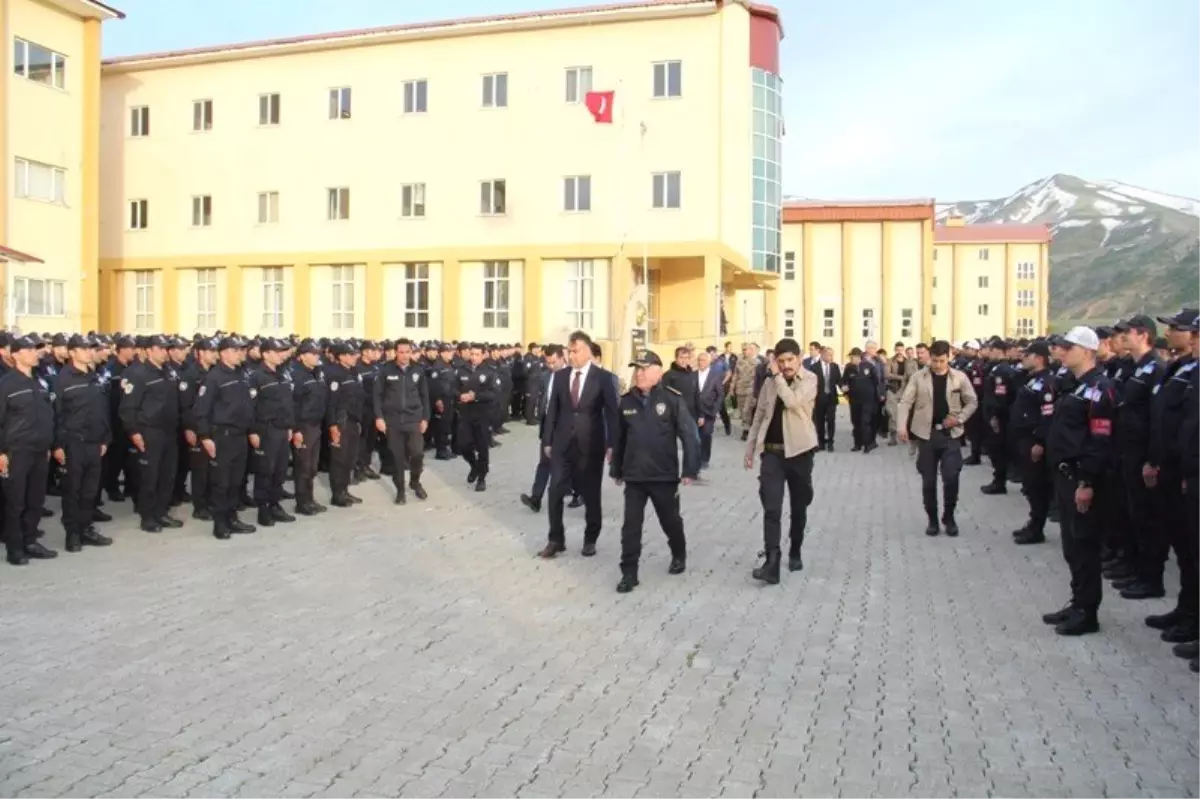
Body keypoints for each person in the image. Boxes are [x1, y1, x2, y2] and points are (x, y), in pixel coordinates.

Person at [1042, 326, 1117, 636]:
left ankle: (1088, 613)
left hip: (1082, 478)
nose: (1063, 351)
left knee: (1085, 546)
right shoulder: (1074, 386)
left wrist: (1086, 482)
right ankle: (1078, 602)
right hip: (1064, 475)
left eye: (1069, 347)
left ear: (1087, 351)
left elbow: (1100, 440)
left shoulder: (1101, 388)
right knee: (1072, 547)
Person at [610, 350, 700, 593]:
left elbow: (689, 435)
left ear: (657, 372)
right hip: (635, 476)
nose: (638, 373)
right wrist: (616, 469)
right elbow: (619, 439)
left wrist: (690, 469)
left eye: (643, 368)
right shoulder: (627, 400)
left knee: (670, 521)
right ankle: (629, 572)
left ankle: (678, 553)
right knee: (631, 526)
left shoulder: (671, 399)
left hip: (663, 476)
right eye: (636, 369)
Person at [538, 330, 619, 559]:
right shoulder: (562, 376)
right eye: (569, 351)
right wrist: (547, 440)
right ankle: (556, 539)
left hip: (590, 445)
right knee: (554, 492)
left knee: (591, 495)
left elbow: (613, 413)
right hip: (562, 445)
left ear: (587, 351)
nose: (570, 355)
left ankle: (590, 538)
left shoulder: (603, 378)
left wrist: (613, 444)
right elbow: (552, 409)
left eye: (574, 351)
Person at [744, 338, 818, 583]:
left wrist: (777, 378)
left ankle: (795, 549)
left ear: (799, 359)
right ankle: (771, 563)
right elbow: (761, 415)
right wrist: (751, 447)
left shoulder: (809, 380)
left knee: (799, 507)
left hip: (799, 452)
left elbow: (793, 401)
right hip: (773, 453)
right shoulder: (769, 382)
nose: (785, 365)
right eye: (781, 360)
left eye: (790, 360)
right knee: (772, 507)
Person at [897, 340, 978, 537]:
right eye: (934, 360)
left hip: (950, 435)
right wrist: (901, 426)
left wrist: (959, 419)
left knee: (951, 478)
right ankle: (932, 520)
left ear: (949, 357)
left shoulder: (959, 378)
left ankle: (948, 517)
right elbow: (906, 401)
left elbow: (972, 401)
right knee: (929, 481)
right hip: (926, 435)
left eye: (942, 361)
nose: (938, 365)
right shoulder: (919, 377)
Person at [0, 334, 58, 565]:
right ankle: (15, 548)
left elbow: (47, 416)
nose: (36, 353)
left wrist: (48, 445)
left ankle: (30, 540)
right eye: (30, 350)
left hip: (39, 450)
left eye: (36, 349)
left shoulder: (39, 382)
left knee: (35, 499)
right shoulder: (6, 385)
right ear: (15, 354)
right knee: (16, 501)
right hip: (17, 451)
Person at [52, 334, 113, 552]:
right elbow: (55, 414)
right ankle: (72, 534)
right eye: (84, 348)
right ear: (72, 352)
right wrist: (58, 445)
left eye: (90, 348)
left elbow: (103, 410)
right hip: (73, 443)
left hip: (95, 443)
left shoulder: (94, 376)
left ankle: (86, 528)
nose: (89, 352)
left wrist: (106, 438)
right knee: (73, 491)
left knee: (90, 491)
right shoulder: (62, 379)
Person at [193, 336, 257, 539]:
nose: (241, 354)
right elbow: (201, 410)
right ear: (224, 353)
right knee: (222, 482)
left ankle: (232, 518)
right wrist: (205, 437)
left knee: (236, 481)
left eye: (241, 350)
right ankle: (220, 523)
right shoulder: (214, 377)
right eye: (236, 350)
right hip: (223, 436)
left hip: (239, 436)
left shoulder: (241, 375)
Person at [118, 334, 183, 533]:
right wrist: (134, 432)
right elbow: (128, 407)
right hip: (149, 431)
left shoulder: (168, 371)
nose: (165, 352)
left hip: (169, 432)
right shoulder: (136, 373)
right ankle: (148, 516)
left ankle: (161, 512)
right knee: (149, 476)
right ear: (148, 350)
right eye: (161, 348)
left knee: (167, 475)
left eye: (166, 348)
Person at [1007, 341, 1057, 544]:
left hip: (1034, 440)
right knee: (1029, 484)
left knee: (1037, 486)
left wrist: (1040, 441)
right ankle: (1033, 522)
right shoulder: (1031, 379)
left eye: (1027, 355)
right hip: (1023, 439)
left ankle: (1037, 528)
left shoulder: (1047, 382)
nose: (1023, 358)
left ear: (1039, 358)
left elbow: (1048, 416)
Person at [374, 338, 432, 504]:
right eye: (401, 352)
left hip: (413, 419)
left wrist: (425, 418)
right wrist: (379, 417)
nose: (405, 355)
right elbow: (377, 396)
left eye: (408, 352)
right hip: (393, 421)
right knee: (397, 458)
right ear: (395, 352)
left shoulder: (418, 370)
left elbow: (424, 396)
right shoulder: (386, 370)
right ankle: (400, 490)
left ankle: (415, 481)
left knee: (417, 454)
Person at [248, 337, 296, 527]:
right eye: (277, 352)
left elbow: (288, 404)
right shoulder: (257, 376)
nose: (281, 355)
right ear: (265, 354)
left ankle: (275, 504)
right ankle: (263, 509)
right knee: (265, 471)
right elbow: (250, 406)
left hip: (283, 429)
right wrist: (253, 431)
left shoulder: (282, 374)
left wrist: (290, 426)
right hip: (266, 430)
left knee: (280, 470)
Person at [521, 344, 564, 513]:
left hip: (565, 428)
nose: (551, 366)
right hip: (548, 427)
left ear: (562, 358)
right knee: (544, 463)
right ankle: (536, 498)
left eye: (554, 362)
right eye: (548, 363)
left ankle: (578, 493)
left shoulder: (571, 377)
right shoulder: (546, 377)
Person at [324, 341, 366, 507]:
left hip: (354, 419)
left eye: (354, 354)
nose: (354, 357)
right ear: (341, 356)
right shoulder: (334, 374)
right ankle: (337, 494)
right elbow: (331, 402)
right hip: (341, 420)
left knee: (350, 457)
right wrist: (333, 425)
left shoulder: (354, 372)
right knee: (339, 459)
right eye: (350, 354)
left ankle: (345, 490)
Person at [290, 339, 328, 516]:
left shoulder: (316, 372)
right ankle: (302, 502)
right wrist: (296, 429)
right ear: (302, 356)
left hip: (315, 424)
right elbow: (293, 405)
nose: (316, 356)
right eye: (312, 354)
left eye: (317, 353)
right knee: (303, 467)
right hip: (303, 426)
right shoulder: (296, 375)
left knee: (312, 467)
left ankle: (310, 499)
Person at [453, 343, 498, 491]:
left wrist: (475, 396)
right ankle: (474, 466)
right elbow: (452, 388)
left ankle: (482, 477)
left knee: (482, 447)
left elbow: (494, 393)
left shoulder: (490, 372)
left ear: (484, 355)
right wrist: (460, 396)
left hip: (483, 415)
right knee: (463, 445)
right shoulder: (461, 370)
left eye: (477, 354)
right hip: (465, 414)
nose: (473, 357)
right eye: (471, 354)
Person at [808, 346, 840, 451]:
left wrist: (845, 388)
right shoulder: (814, 367)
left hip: (831, 398)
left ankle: (831, 442)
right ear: (823, 354)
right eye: (829, 355)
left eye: (832, 355)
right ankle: (821, 442)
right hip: (819, 398)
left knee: (831, 420)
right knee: (819, 421)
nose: (831, 357)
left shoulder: (835, 366)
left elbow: (839, 380)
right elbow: (811, 384)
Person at [695, 351, 723, 468]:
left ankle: (705, 459)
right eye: (699, 360)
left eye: (703, 360)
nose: (701, 363)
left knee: (706, 434)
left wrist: (715, 409)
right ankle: (695, 458)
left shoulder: (715, 375)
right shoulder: (693, 375)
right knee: (695, 436)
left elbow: (720, 394)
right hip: (695, 411)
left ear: (709, 362)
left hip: (709, 411)